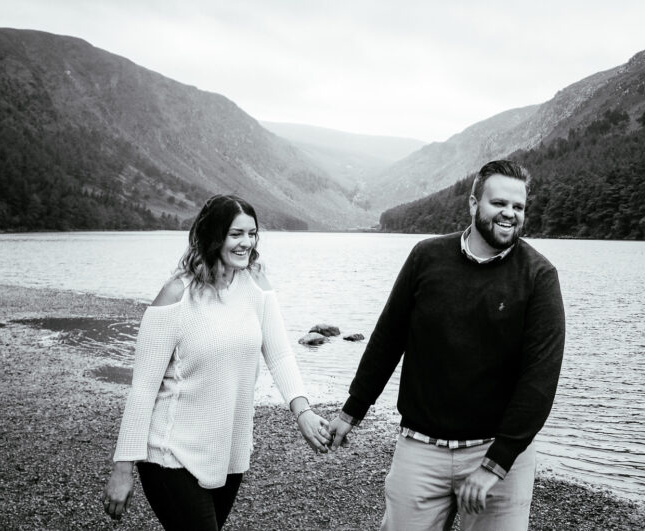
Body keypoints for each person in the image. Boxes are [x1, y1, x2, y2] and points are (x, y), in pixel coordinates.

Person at [328, 159, 565, 530]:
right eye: (499, 203)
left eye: (518, 207)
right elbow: (388, 338)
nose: (509, 214)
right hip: (420, 449)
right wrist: (352, 410)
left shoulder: (539, 276)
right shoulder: (426, 257)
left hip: (499, 457)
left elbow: (540, 380)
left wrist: (497, 463)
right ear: (473, 204)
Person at [102, 194, 331, 529]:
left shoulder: (257, 287)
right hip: (169, 454)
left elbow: (280, 355)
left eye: (252, 234)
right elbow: (143, 389)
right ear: (214, 236)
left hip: (227, 452)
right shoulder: (176, 295)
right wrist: (123, 467)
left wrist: (303, 412)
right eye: (236, 234)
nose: (246, 243)